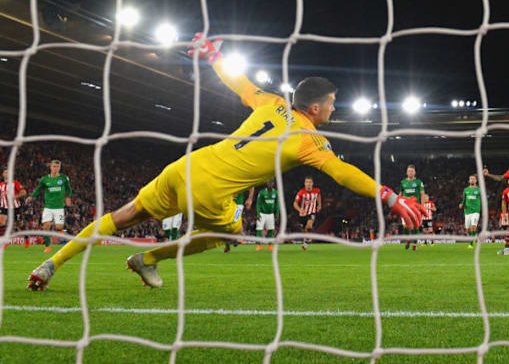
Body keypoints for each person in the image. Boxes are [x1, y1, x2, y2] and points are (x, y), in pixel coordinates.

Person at [27, 34, 425, 291]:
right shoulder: (309, 139)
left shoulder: (272, 101)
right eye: (334, 103)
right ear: (317, 107)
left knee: (124, 214)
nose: (334, 110)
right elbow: (343, 172)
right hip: (209, 190)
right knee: (231, 232)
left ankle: (51, 264)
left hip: (186, 166)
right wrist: (388, 196)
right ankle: (146, 258)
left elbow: (239, 81)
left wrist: (212, 55)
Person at [25, 160, 72, 253]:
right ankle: (47, 246)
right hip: (48, 207)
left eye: (57, 167)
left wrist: (68, 197)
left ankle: (64, 234)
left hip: (59, 208)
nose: (55, 168)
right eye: (54, 166)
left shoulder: (64, 178)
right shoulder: (45, 179)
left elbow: (69, 190)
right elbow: (38, 190)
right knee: (46, 226)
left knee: (59, 227)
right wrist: (31, 196)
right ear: (50, 167)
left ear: (60, 168)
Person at [399, 164, 425, 250]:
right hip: (405, 207)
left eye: (412, 171)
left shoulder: (418, 182)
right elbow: (400, 194)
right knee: (405, 225)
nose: (410, 172)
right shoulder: (403, 182)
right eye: (409, 171)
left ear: (415, 172)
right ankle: (408, 240)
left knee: (416, 225)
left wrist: (422, 206)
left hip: (415, 207)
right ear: (406, 172)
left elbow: (422, 194)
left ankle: (414, 244)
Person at [1, 166, 27, 248]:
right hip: (4, 207)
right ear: (3, 174)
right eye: (6, 172)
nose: (7, 174)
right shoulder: (1, 185)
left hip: (15, 207)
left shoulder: (15, 183)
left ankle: (27, 238)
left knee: (19, 224)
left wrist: (14, 197)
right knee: (1, 222)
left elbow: (24, 192)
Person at [293, 177, 321, 251]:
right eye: (307, 182)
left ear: (312, 183)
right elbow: (295, 203)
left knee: (309, 225)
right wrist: (300, 209)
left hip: (311, 212)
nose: (308, 184)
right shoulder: (301, 192)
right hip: (302, 214)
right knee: (304, 229)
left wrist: (319, 205)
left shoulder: (316, 191)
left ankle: (306, 242)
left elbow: (318, 196)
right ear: (304, 184)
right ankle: (305, 242)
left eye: (310, 182)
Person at [224, 188, 254, 252]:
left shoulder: (240, 179)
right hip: (228, 204)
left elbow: (251, 186)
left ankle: (236, 239)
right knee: (226, 224)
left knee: (235, 221)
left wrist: (250, 198)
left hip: (238, 205)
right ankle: (227, 246)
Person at [459, 174, 482, 249]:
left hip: (476, 211)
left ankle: (471, 244)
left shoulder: (479, 190)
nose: (472, 180)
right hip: (467, 211)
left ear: (476, 180)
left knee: (473, 226)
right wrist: (462, 204)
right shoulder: (466, 190)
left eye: (473, 179)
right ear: (469, 181)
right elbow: (464, 200)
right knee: (468, 229)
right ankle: (475, 236)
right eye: (471, 179)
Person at [255, 181, 279, 251]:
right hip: (262, 214)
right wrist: (258, 214)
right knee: (259, 229)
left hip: (271, 214)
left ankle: (269, 245)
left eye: (271, 183)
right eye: (269, 183)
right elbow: (258, 204)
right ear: (266, 184)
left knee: (271, 229)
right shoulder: (262, 193)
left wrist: (277, 214)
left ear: (273, 184)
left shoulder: (276, 193)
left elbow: (277, 204)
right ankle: (259, 245)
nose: (270, 184)